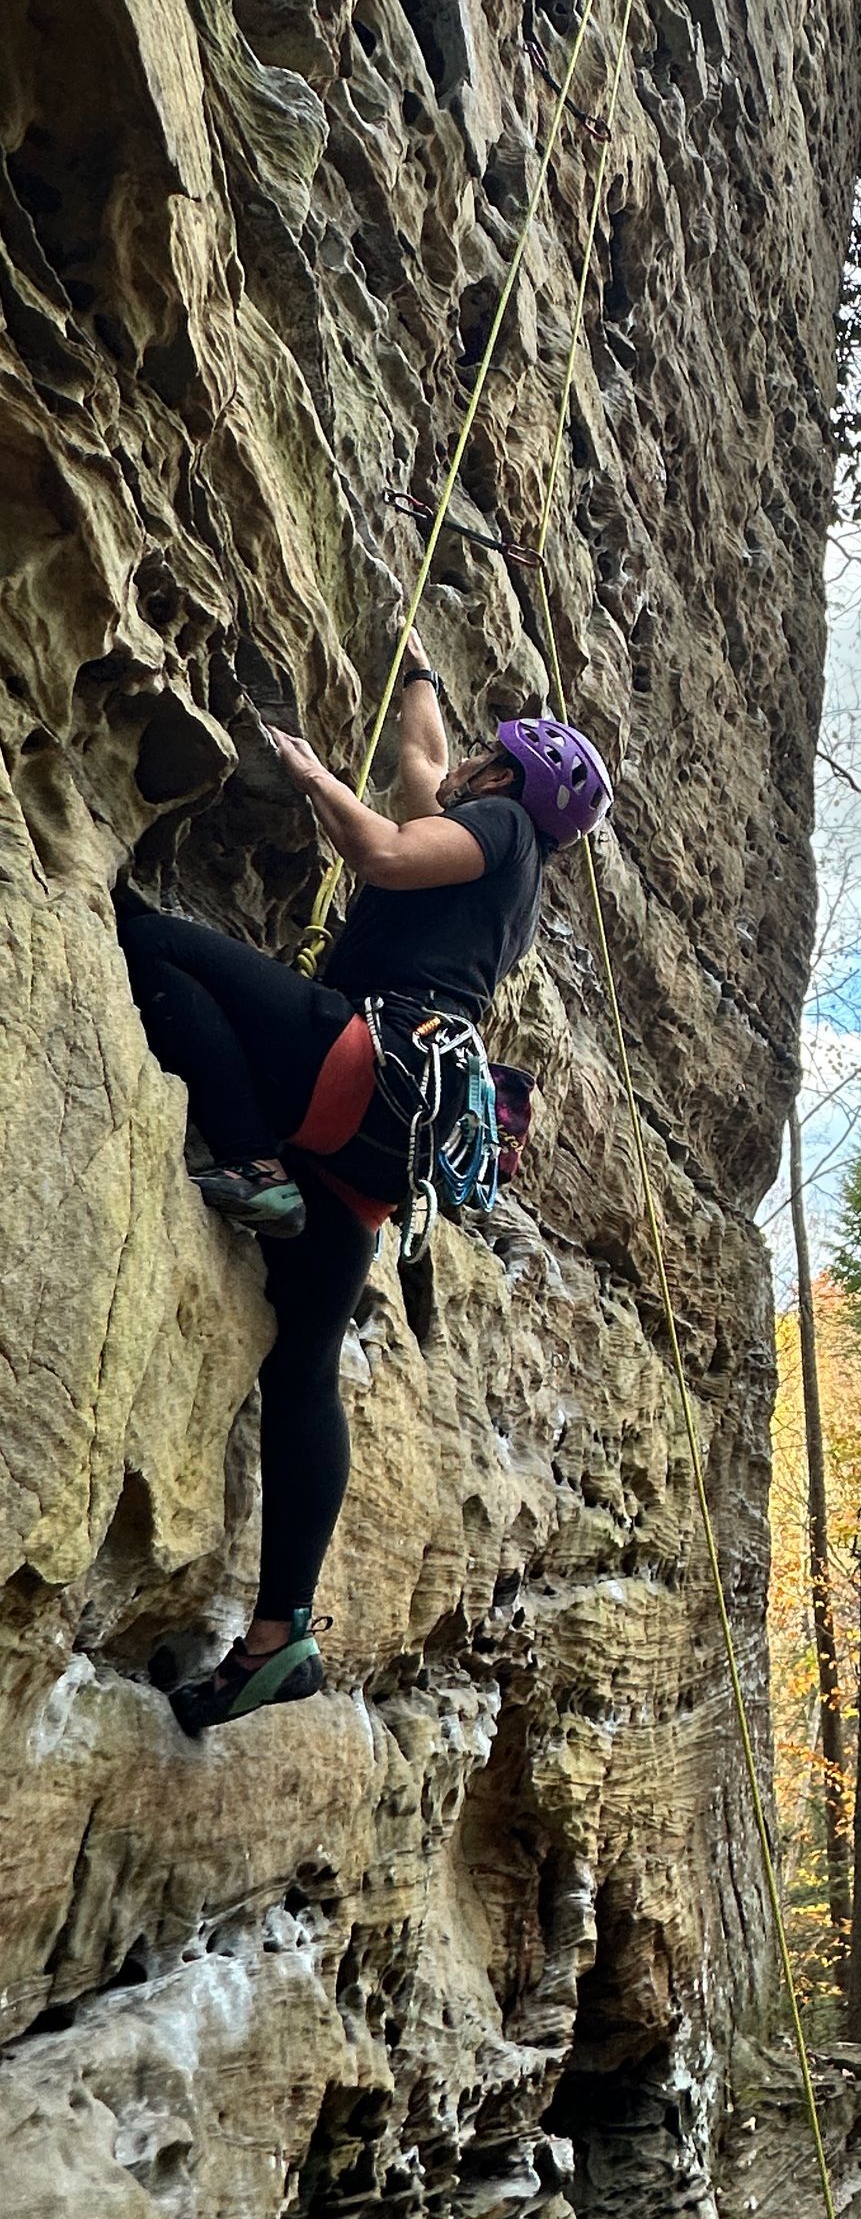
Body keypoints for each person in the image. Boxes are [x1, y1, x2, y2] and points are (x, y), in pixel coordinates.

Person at [119, 629, 612, 1732]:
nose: (469, 760)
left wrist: (309, 778)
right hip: (381, 1148)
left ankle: (249, 1157)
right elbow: (422, 763)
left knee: (156, 945)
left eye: (493, 755)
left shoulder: (496, 827)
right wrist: (420, 665)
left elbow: (385, 849)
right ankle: (278, 1631)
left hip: (365, 1061)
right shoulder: (497, 839)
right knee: (301, 1371)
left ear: (511, 781)